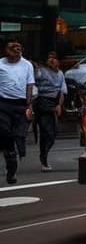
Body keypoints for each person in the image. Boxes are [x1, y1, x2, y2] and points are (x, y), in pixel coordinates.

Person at [0, 38, 36, 185]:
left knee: (19, 135)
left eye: (18, 47)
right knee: (5, 132)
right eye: (11, 47)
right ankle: (11, 164)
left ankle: (13, 154)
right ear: (5, 50)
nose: (15, 49)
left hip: (21, 105)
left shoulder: (27, 65)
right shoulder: (0, 64)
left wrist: (29, 105)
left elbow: (30, 85)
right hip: (3, 103)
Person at [34, 51, 67, 171]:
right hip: (42, 102)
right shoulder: (40, 71)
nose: (52, 60)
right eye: (49, 58)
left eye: (54, 58)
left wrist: (59, 105)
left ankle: (44, 154)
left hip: (54, 102)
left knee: (52, 135)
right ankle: (44, 159)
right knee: (45, 131)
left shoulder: (60, 74)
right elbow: (32, 83)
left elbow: (62, 91)